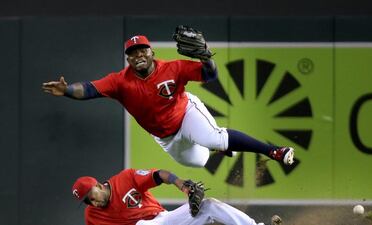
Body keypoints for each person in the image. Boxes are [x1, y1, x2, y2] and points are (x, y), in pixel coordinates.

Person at [42, 33, 294, 167]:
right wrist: (66, 90)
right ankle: (218, 147)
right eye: (132, 53)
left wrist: (207, 57)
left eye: (142, 49)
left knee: (212, 137)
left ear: (152, 52)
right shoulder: (120, 81)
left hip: (185, 113)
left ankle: (272, 151)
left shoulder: (172, 68)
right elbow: (88, 89)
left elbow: (210, 74)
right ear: (128, 59)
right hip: (165, 137)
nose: (138, 54)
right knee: (198, 161)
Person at [71, 167, 280, 225]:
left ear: (98, 185)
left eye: (91, 195)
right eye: (87, 200)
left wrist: (181, 185)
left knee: (208, 205)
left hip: (164, 220)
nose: (92, 201)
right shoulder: (92, 216)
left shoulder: (125, 178)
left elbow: (158, 175)